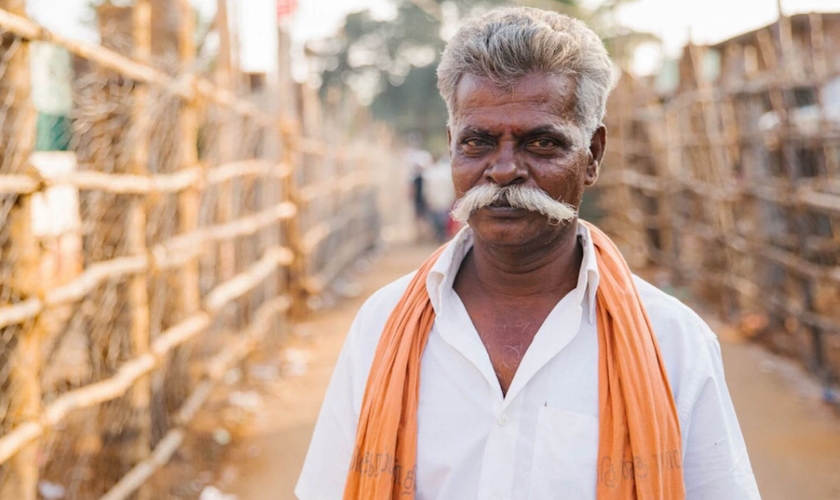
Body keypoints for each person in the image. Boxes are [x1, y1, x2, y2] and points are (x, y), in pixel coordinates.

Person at [297, 7, 761, 500]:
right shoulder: (381, 326)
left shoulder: (673, 341)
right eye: (478, 142)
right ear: (452, 147)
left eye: (540, 142)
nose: (503, 169)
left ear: (593, 156)